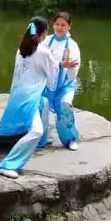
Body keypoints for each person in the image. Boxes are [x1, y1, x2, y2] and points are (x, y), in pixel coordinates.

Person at [0, 17, 62, 179]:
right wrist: (52, 86)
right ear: (44, 33)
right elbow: (53, 74)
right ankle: (8, 164)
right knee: (36, 131)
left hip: (18, 94)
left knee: (44, 103)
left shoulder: (21, 49)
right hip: (29, 98)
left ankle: (42, 141)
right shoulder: (43, 52)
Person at [40, 12, 81, 151]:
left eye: (63, 25)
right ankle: (41, 139)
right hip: (47, 83)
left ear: (69, 26)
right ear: (53, 25)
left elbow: (74, 66)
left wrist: (68, 68)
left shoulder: (72, 45)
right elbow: (40, 60)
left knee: (65, 106)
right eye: (57, 24)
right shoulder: (47, 41)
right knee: (42, 107)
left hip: (65, 84)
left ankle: (70, 139)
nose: (59, 27)